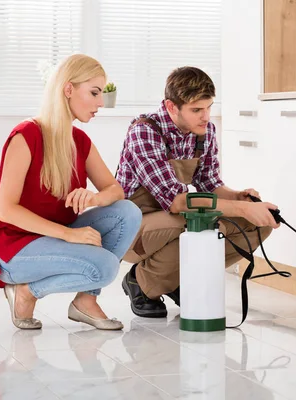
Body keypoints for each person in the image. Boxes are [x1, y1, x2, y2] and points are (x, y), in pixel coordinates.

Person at [0, 54, 142, 331]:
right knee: (105, 267)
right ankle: (26, 291)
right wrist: (70, 234)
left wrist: (94, 197)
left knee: (127, 212)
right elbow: (6, 210)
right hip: (14, 247)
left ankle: (85, 300)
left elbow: (116, 190)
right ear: (68, 89)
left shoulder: (79, 141)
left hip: (54, 237)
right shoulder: (26, 136)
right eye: (94, 93)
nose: (100, 103)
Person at [116, 66, 279, 318]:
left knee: (259, 224)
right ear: (172, 107)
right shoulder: (145, 130)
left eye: (209, 107)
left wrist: (239, 198)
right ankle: (140, 281)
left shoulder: (205, 131)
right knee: (197, 222)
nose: (206, 117)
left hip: (169, 220)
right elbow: (177, 202)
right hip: (131, 229)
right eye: (196, 110)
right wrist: (242, 208)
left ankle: (174, 278)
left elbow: (210, 183)